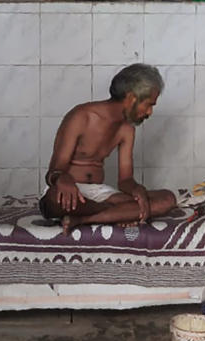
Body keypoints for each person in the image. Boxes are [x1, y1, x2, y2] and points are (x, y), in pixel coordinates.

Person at [39, 63, 178, 235]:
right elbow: (53, 172)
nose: (149, 112)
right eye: (149, 104)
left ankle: (83, 219)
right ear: (131, 98)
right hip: (70, 192)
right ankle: (118, 213)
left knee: (167, 199)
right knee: (53, 200)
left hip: (100, 193)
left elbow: (125, 180)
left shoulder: (127, 130)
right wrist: (63, 180)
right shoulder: (81, 117)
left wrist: (136, 189)